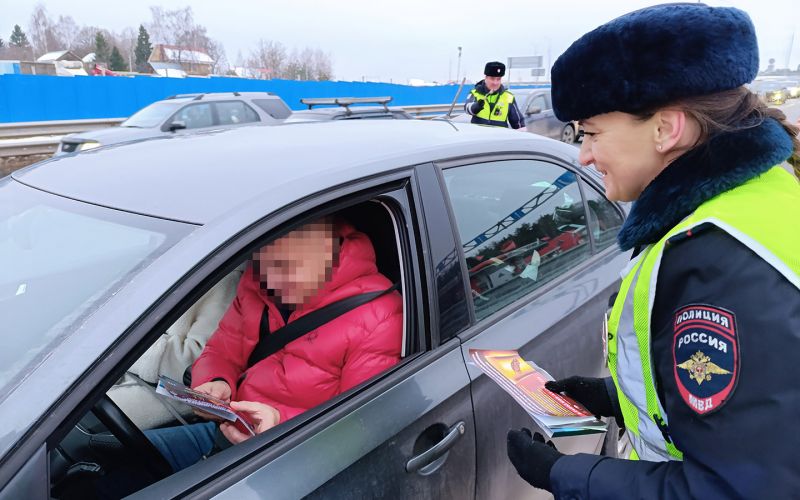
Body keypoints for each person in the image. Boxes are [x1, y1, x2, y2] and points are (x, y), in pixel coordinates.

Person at [505, 4, 800, 499]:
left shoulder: (715, 261)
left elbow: (735, 489)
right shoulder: (758, 197)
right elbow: (755, 410)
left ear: (666, 129)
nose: (584, 155)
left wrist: (565, 475)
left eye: (593, 133)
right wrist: (616, 398)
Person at [145, 217, 403, 472]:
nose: (272, 281)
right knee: (121, 460)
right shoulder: (258, 283)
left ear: (327, 249)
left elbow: (362, 427)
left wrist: (280, 426)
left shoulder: (379, 317)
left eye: (285, 266)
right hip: (228, 434)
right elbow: (221, 350)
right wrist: (217, 381)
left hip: (297, 458)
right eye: (263, 264)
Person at [107, 268, 241, 429]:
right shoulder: (154, 269)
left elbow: (194, 361)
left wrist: (128, 346)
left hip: (171, 390)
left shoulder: (222, 280)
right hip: (121, 372)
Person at [464, 61, 525, 129]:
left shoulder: (509, 97)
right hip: (479, 137)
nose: (495, 83)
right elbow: (467, 108)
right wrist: (476, 106)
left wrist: (522, 132)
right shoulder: (475, 93)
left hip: (498, 138)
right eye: (492, 79)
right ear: (486, 78)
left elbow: (517, 123)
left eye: (498, 79)